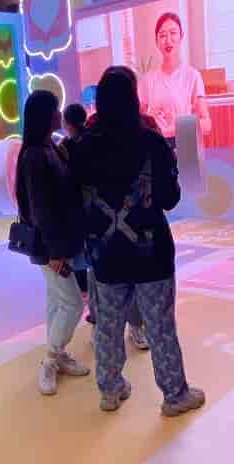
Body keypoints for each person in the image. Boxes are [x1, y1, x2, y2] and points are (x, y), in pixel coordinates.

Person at [72, 69, 205, 416]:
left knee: (108, 326)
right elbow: (169, 198)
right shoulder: (152, 143)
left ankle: (110, 390)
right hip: (151, 255)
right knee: (159, 326)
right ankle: (174, 395)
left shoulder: (82, 147)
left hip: (105, 255)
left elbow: (75, 201)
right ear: (133, 98)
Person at [15, 90, 90, 396]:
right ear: (45, 116)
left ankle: (57, 356)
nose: (60, 114)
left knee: (57, 301)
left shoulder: (50, 149)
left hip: (58, 244)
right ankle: (50, 359)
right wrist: (54, 252)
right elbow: (40, 209)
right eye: (56, 109)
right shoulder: (35, 155)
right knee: (73, 304)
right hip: (50, 248)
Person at [85, 66, 158, 351]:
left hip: (129, 227)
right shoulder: (92, 130)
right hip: (108, 229)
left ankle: (134, 327)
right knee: (104, 282)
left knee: (121, 279)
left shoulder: (147, 127)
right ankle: (101, 326)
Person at [139, 13, 212, 143]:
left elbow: (206, 124)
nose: (168, 40)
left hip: (185, 145)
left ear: (181, 37)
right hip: (157, 146)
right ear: (156, 41)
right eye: (162, 35)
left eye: (173, 33)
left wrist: (168, 131)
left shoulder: (192, 75)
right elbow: (137, 120)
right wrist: (150, 119)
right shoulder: (147, 80)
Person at [60, 104, 89, 300]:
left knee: (78, 247)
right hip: (94, 202)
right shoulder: (94, 140)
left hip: (76, 204)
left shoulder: (65, 147)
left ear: (67, 123)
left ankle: (84, 290)